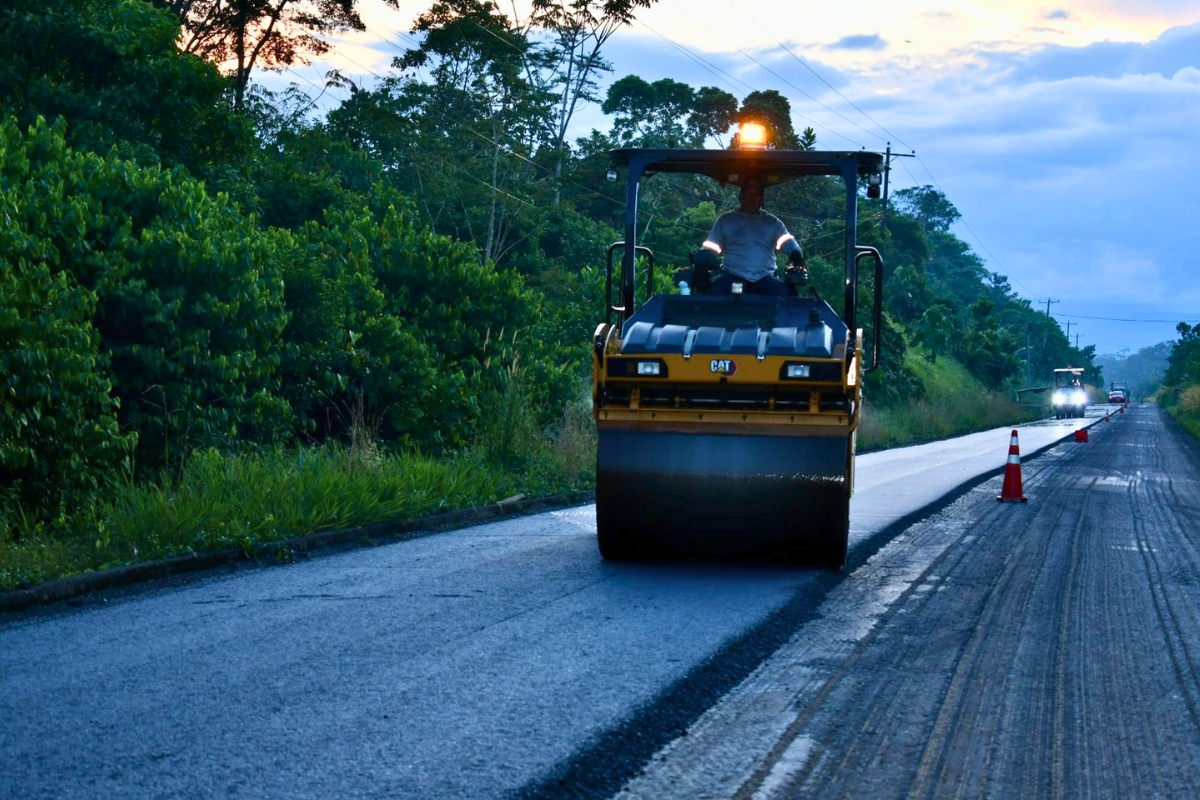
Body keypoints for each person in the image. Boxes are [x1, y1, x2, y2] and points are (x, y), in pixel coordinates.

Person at [699, 179, 807, 296]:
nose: (752, 198)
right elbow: (710, 247)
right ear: (741, 196)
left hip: (765, 277)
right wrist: (703, 260)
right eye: (748, 194)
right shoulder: (725, 220)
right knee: (713, 293)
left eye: (756, 195)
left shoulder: (772, 222)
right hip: (732, 275)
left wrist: (795, 254)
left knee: (787, 295)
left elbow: (787, 242)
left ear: (761, 198)